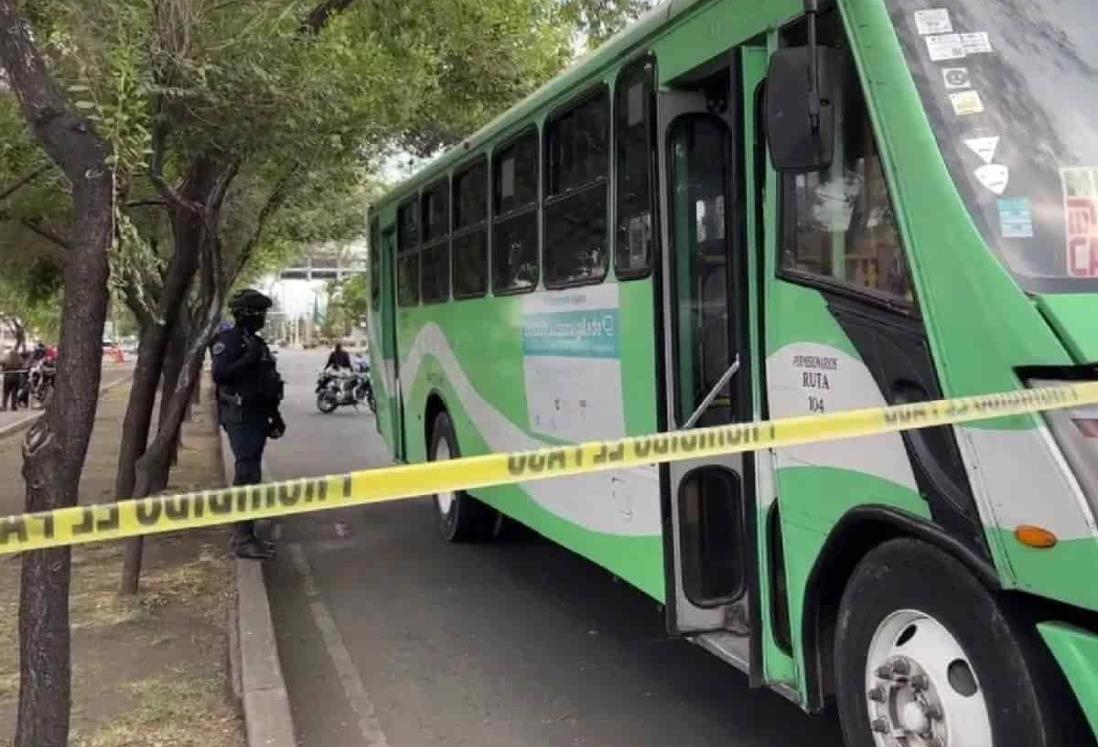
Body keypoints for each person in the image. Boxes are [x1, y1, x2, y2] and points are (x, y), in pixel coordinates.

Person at [211, 289, 286, 560]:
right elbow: (220, 375)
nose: (263, 318)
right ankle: (243, 538)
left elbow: (267, 382)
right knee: (246, 474)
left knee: (252, 474)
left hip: (258, 416)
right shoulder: (229, 341)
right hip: (240, 417)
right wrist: (248, 358)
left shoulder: (257, 342)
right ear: (246, 313)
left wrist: (275, 417)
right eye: (259, 313)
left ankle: (248, 533)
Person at [2, 347, 22, 411]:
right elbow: (21, 364)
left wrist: (4, 367)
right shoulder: (19, 357)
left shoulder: (7, 356)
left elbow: (2, 362)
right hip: (16, 376)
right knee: (14, 392)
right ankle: (13, 406)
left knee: (6, 392)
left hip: (7, 376)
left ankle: (4, 406)